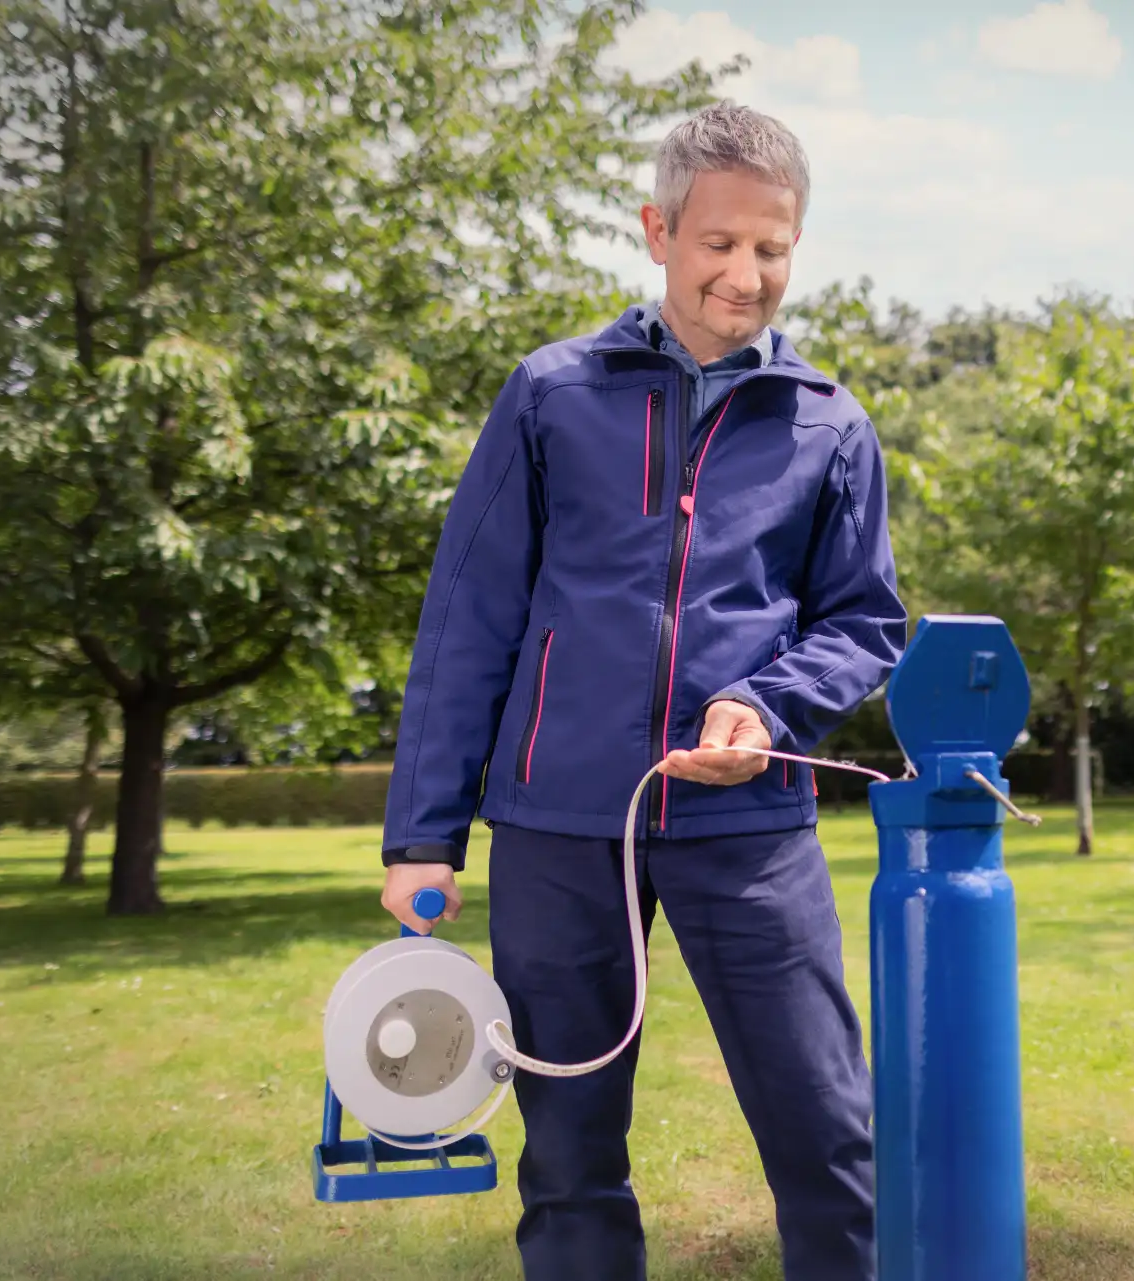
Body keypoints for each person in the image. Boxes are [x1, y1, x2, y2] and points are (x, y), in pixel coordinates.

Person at [376, 100, 905, 1281]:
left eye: (772, 248)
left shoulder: (830, 425)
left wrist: (768, 708)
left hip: (748, 828)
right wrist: (424, 837)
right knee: (567, 1156)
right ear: (658, 231)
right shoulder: (554, 393)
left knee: (828, 1132)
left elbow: (867, 620)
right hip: (560, 827)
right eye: (719, 243)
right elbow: (470, 620)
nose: (746, 273)